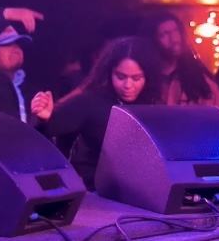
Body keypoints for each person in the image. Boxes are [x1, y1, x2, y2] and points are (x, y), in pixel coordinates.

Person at [31, 37, 161, 189]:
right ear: (109, 72)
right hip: (94, 190)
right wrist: (44, 118)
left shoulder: (152, 107)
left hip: (138, 190)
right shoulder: (91, 101)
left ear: (148, 77)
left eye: (136, 78)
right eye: (120, 77)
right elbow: (48, 129)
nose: (128, 85)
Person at [147, 11, 219, 107]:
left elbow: (212, 112)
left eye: (176, 31)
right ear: (153, 40)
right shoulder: (142, 81)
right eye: (165, 34)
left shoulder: (202, 83)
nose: (174, 39)